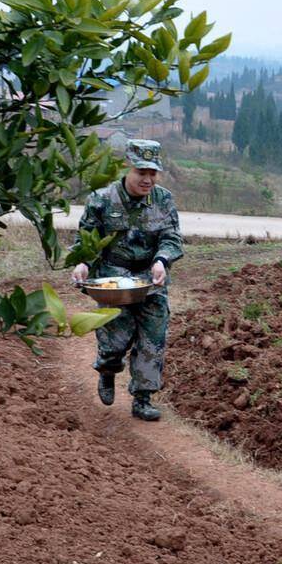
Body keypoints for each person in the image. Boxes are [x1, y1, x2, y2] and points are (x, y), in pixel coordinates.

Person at [70, 139, 183, 421]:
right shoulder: (101, 199)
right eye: (141, 172)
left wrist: (162, 260)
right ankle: (108, 369)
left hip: (150, 280)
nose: (148, 180)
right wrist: (83, 263)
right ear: (127, 167)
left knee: (152, 339)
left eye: (153, 173)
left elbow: (171, 238)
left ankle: (143, 399)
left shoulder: (163, 200)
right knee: (115, 341)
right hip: (113, 280)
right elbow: (87, 240)